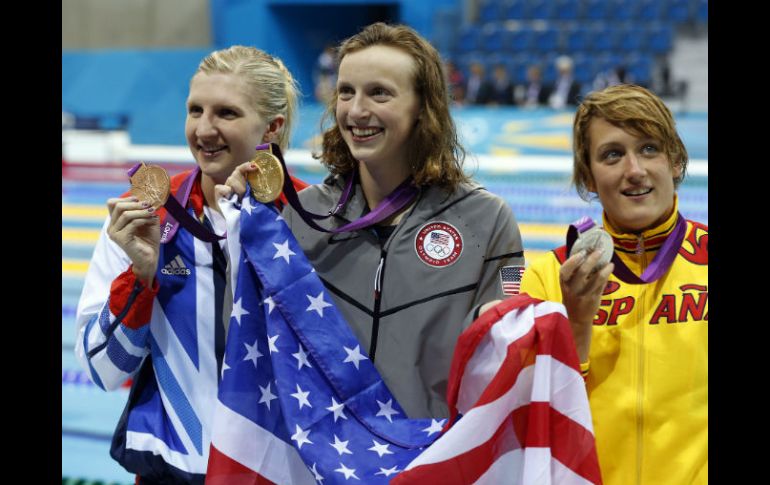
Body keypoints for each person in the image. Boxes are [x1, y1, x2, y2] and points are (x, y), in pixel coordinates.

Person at [220, 22, 525, 420]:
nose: (357, 110)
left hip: (435, 461)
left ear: (422, 106)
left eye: (379, 92)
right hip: (326, 464)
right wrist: (243, 235)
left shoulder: (484, 222)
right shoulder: (304, 216)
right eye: (346, 92)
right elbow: (252, 341)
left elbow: (505, 357)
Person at [74, 45, 306, 484]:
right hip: (172, 472)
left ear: (271, 127)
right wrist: (140, 279)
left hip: (279, 471)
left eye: (226, 113)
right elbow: (102, 371)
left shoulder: (311, 220)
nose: (204, 129)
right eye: (195, 109)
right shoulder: (142, 218)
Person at [519, 85, 708, 484]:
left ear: (675, 160)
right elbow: (529, 419)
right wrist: (575, 325)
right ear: (588, 175)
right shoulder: (548, 278)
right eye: (612, 155)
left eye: (649, 149)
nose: (634, 170)